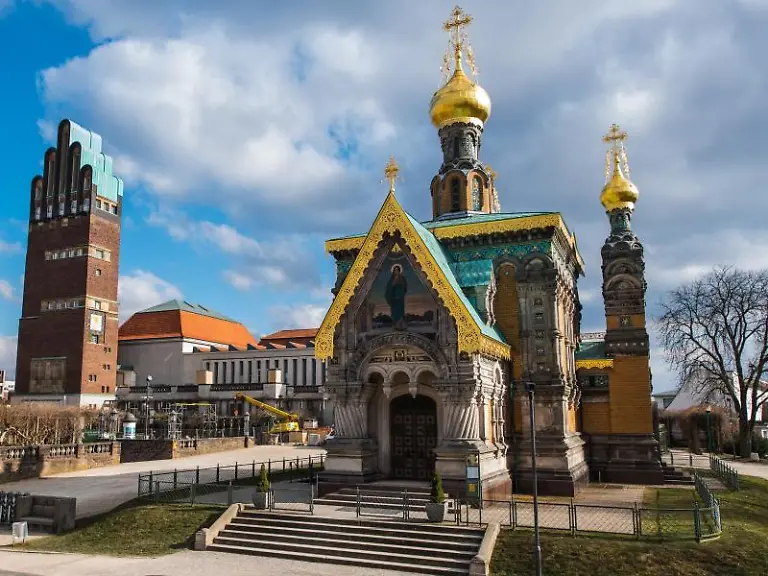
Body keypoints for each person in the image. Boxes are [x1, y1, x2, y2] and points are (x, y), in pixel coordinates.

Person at [385, 264, 408, 330]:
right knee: (395, 313)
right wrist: (393, 284)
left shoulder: (402, 278)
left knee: (400, 312)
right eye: (395, 270)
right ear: (393, 271)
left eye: (397, 270)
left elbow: (405, 288)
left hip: (400, 298)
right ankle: (395, 325)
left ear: (399, 271)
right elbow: (389, 288)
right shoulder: (391, 279)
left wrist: (401, 285)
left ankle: (401, 325)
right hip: (394, 298)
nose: (396, 271)